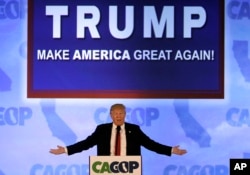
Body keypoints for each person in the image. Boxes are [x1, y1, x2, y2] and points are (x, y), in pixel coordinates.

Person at [50, 103, 187, 156]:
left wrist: (171, 150)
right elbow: (86, 144)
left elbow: (150, 144)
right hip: (106, 170)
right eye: (115, 113)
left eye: (121, 113)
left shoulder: (134, 129)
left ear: (125, 114)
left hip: (130, 170)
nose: (118, 116)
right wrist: (65, 149)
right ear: (111, 115)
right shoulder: (102, 130)